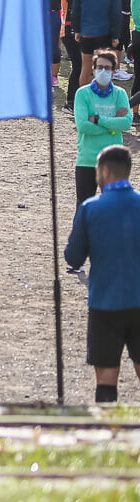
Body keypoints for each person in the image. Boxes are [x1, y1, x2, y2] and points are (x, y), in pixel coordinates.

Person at [65, 145, 140, 403]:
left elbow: (73, 258)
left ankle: (109, 434)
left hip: (105, 304)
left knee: (106, 380)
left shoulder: (90, 208)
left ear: (105, 171)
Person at [74, 49, 131, 213]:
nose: (103, 71)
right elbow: (83, 126)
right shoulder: (82, 94)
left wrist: (98, 119)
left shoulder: (120, 94)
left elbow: (126, 123)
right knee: (84, 207)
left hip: (114, 161)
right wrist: (113, 126)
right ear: (93, 69)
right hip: (87, 160)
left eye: (107, 68)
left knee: (115, 208)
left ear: (114, 71)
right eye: (99, 67)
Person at [66, 0, 121, 108]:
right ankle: (102, 100)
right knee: (104, 68)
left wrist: (77, 30)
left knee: (85, 67)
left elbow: (75, 10)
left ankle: (82, 101)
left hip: (86, 32)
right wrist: (116, 35)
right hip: (105, 33)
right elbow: (116, 13)